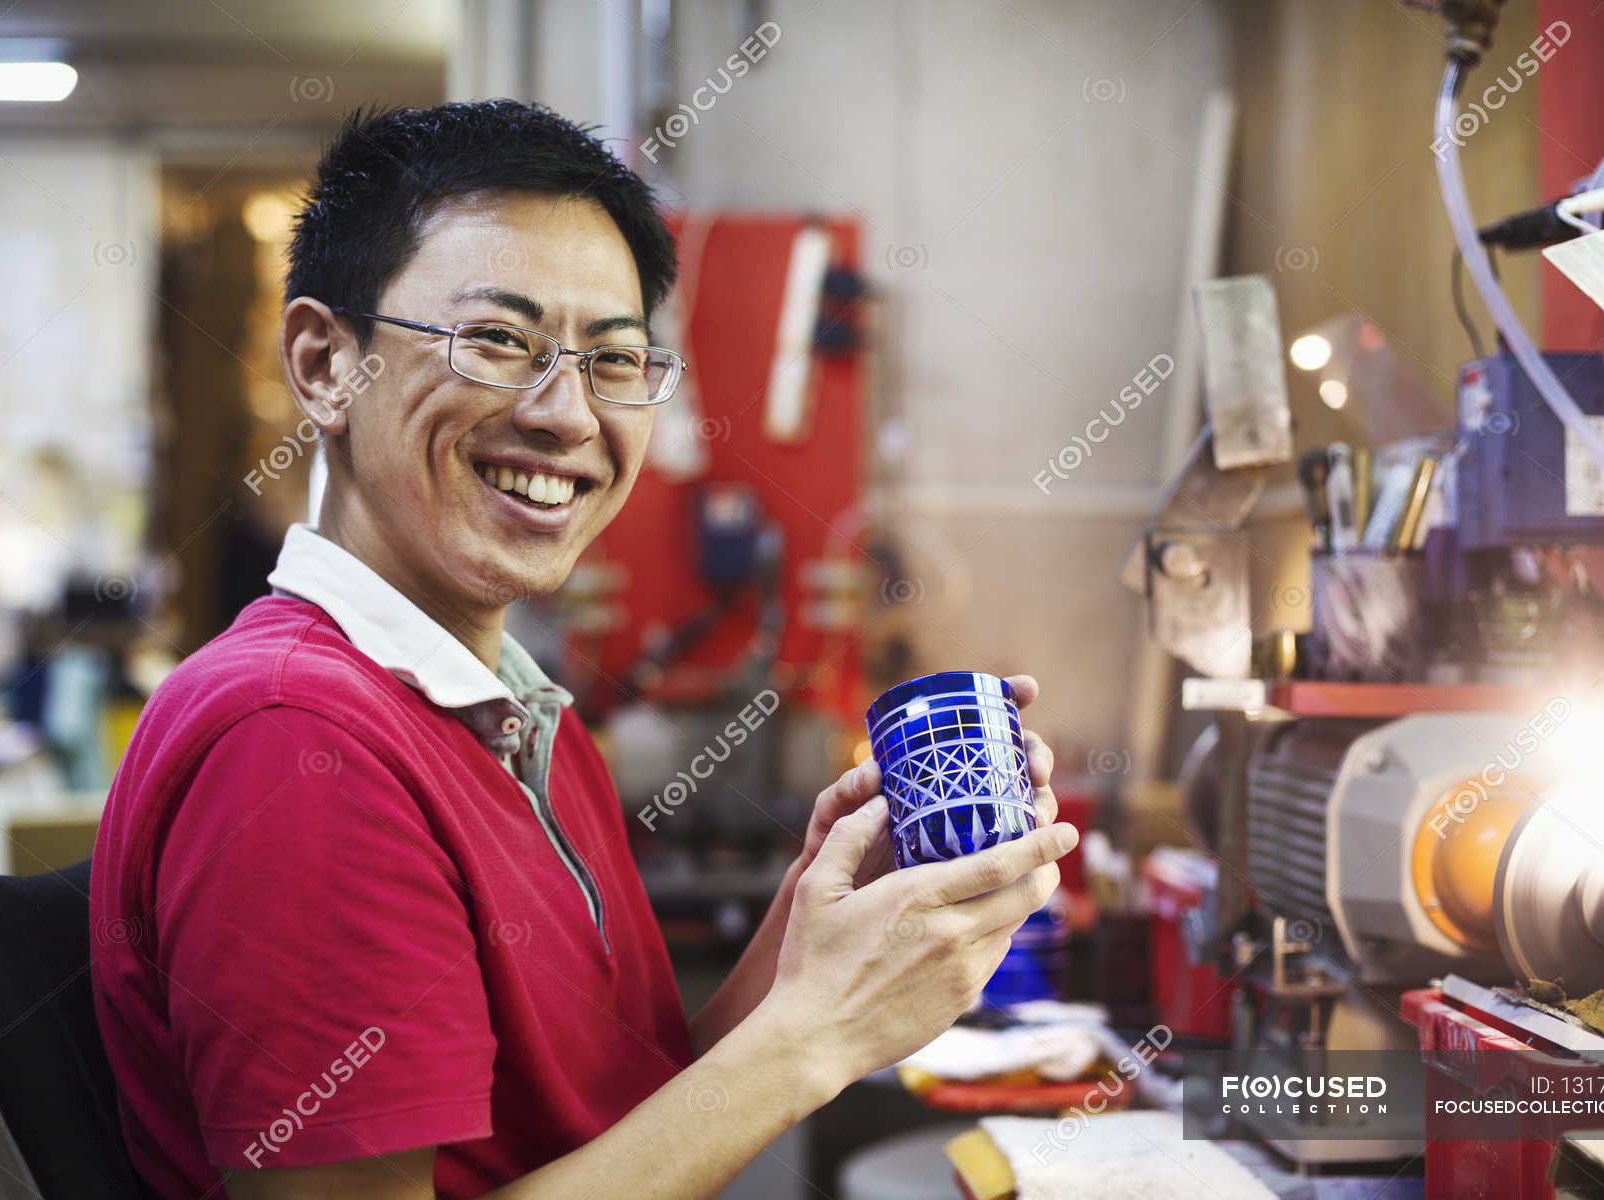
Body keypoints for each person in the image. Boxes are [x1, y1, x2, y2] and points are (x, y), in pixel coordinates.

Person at [90, 99, 1076, 1200]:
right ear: (327, 365)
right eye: (500, 341)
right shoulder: (295, 745)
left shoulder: (518, 717)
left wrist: (812, 940)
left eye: (614, 360)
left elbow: (626, 1127)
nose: (567, 416)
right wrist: (818, 1040)